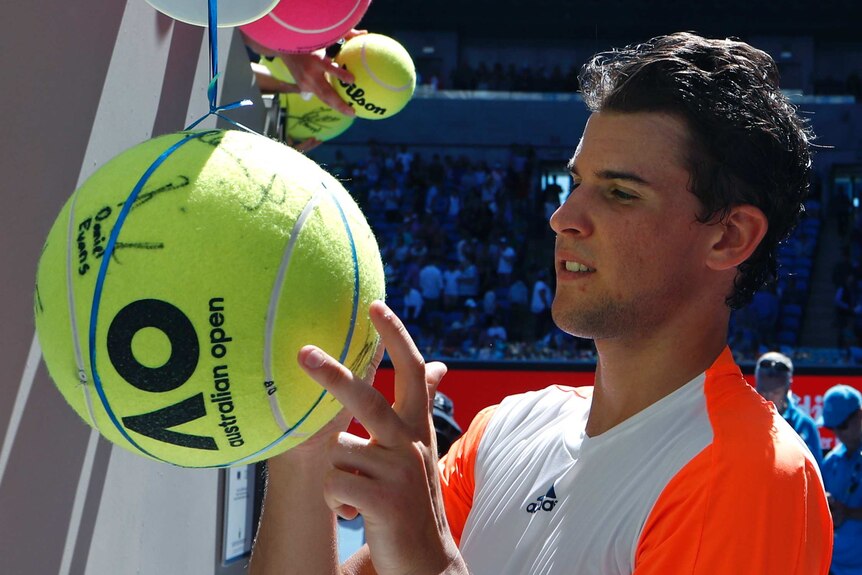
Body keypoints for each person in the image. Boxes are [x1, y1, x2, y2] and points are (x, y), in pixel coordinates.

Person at [248, 32, 832, 575]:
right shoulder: (505, 429)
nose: (564, 217)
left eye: (620, 193)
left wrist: (431, 560)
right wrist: (304, 449)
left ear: (729, 237)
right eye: (575, 182)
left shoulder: (752, 472)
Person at [818, 385, 862, 575]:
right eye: (831, 427)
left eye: (842, 425)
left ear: (860, 415)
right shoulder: (831, 461)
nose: (837, 433)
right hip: (833, 567)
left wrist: (850, 513)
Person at [754, 351, 823, 468]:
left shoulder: (805, 426)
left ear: (788, 388)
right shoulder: (742, 420)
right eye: (763, 391)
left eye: (775, 392)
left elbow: (816, 475)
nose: (768, 398)